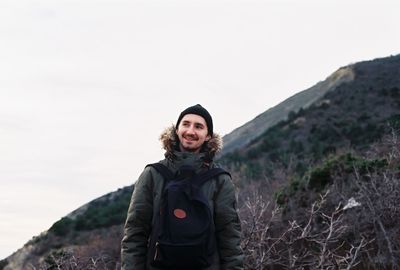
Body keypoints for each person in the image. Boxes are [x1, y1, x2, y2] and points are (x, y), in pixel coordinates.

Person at [121, 104, 244, 270]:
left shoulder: (220, 180)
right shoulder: (152, 174)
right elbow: (135, 233)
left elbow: (229, 237)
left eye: (199, 126)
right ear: (177, 130)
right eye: (186, 124)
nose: (191, 131)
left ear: (208, 136)